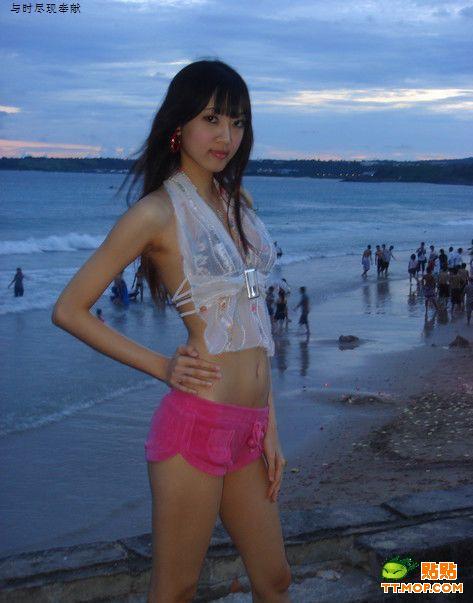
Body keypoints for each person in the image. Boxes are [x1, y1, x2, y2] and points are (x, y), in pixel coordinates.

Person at [51, 60, 291, 601]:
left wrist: (270, 426)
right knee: (176, 589)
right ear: (179, 125)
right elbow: (69, 309)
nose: (226, 136)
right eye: (212, 119)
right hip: (198, 425)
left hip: (251, 427)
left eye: (237, 122)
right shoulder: (157, 213)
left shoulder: (239, 204)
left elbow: (253, 325)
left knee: (275, 580)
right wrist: (162, 366)